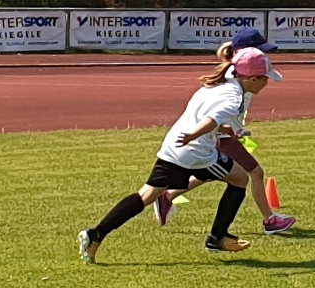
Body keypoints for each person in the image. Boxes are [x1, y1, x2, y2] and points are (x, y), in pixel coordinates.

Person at [80, 44, 271, 259]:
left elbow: (214, 118)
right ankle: (218, 238)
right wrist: (193, 135)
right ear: (252, 79)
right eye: (265, 78)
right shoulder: (234, 98)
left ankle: (95, 234)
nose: (267, 82)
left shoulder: (224, 79)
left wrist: (224, 130)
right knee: (239, 179)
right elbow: (211, 120)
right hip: (196, 153)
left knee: (147, 195)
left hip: (173, 145)